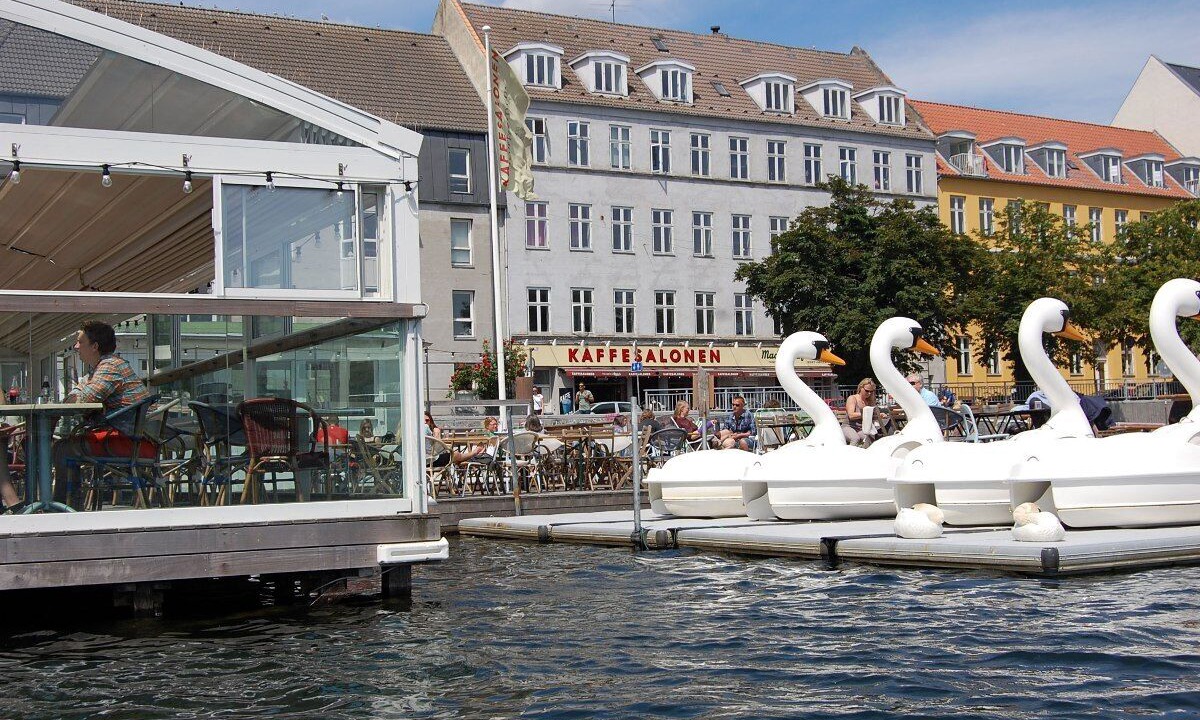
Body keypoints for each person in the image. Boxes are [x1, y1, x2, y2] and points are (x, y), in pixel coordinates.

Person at [52, 320, 153, 503]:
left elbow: (84, 400)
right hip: (133, 437)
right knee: (63, 447)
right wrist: (80, 389)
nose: (76, 347)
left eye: (80, 342)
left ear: (95, 346)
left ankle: (64, 508)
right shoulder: (102, 368)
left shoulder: (109, 366)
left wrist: (80, 390)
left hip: (130, 441)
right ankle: (66, 506)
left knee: (62, 448)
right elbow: (77, 394)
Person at [843, 378, 878, 447]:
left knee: (872, 438)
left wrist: (879, 415)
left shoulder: (869, 401)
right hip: (849, 427)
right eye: (867, 391)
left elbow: (872, 415)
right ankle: (849, 457)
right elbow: (851, 415)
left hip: (862, 428)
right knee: (855, 439)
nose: (869, 393)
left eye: (871, 391)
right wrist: (866, 413)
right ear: (860, 387)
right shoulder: (852, 398)